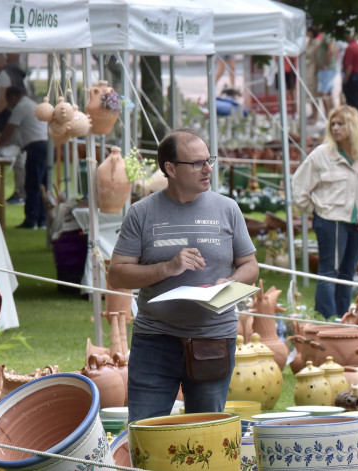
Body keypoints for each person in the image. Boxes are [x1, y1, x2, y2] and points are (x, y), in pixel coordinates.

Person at [109, 129, 259, 423]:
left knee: (206, 435)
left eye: (209, 160)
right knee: (146, 431)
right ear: (170, 168)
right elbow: (117, 275)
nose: (208, 169)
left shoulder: (228, 209)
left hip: (213, 339)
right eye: (197, 163)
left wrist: (231, 283)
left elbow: (250, 265)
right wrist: (167, 267)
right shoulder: (141, 213)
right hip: (155, 340)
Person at [292, 106, 358, 318]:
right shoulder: (321, 155)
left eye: (341, 123)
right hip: (330, 222)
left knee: (347, 274)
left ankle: (343, 318)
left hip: (357, 223)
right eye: (333, 124)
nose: (335, 128)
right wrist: (316, 210)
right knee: (329, 272)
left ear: (354, 126)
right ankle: (327, 319)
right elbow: (299, 185)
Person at [0, 86, 45, 228]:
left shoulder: (21, 107)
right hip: (44, 146)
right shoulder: (31, 105)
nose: (8, 104)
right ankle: (42, 220)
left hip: (36, 147)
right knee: (41, 185)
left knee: (32, 185)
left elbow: (9, 130)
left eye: (8, 100)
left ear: (14, 96)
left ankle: (31, 221)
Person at [0, 54, 27, 204]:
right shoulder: (13, 72)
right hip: (16, 121)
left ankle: (20, 192)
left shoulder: (4, 74)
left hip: (11, 121)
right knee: (19, 158)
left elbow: (2, 100)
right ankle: (20, 191)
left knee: (17, 158)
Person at [314, 26, 338, 117]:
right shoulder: (325, 34)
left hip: (327, 69)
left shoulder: (328, 34)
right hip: (326, 69)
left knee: (323, 92)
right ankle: (333, 114)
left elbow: (331, 49)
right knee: (327, 93)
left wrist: (325, 63)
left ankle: (328, 116)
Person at [342, 34, 358, 119]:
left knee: (353, 104)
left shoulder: (350, 48)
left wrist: (345, 80)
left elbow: (349, 66)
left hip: (354, 77)